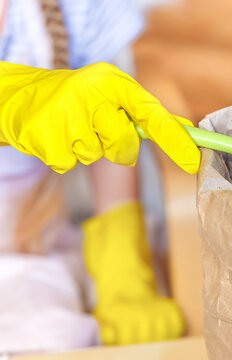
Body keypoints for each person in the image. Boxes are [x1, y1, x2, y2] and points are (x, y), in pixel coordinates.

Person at [0, 0, 199, 354]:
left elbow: (111, 138)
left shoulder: (76, 9)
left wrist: (122, 275)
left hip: (26, 245)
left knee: (53, 339)